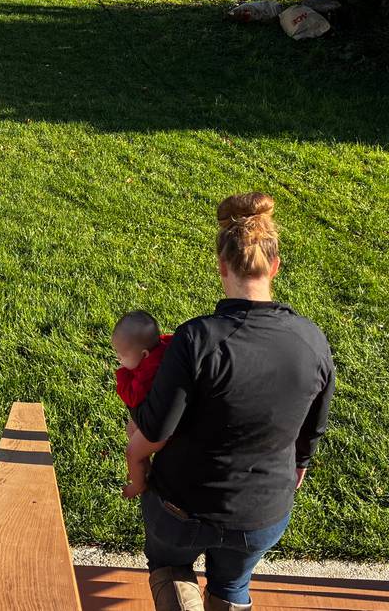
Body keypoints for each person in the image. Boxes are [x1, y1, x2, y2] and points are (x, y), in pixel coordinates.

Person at [124, 193, 335, 611]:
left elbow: (152, 433)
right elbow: (309, 437)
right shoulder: (312, 341)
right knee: (234, 584)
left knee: (169, 566)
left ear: (222, 267)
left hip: (180, 508)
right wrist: (296, 470)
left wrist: (137, 470)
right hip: (262, 516)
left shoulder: (196, 340)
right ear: (274, 266)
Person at [112, 311, 173, 498]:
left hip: (162, 427)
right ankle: (144, 468)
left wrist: (122, 375)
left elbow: (132, 397)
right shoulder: (162, 347)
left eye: (121, 356)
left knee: (132, 453)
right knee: (131, 429)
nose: (119, 360)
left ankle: (137, 486)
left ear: (144, 354)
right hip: (160, 412)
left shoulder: (148, 372)